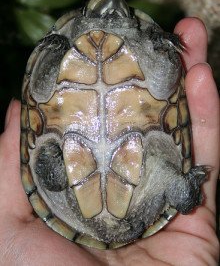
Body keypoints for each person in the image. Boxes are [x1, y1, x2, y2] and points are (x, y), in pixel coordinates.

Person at [0, 17, 219, 265]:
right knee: (166, 175)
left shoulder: (69, 42)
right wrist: (161, 47)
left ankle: (177, 191)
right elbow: (166, 78)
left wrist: (53, 52)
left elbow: (39, 92)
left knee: (52, 170)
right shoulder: (139, 45)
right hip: (143, 194)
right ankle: (179, 192)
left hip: (77, 211)